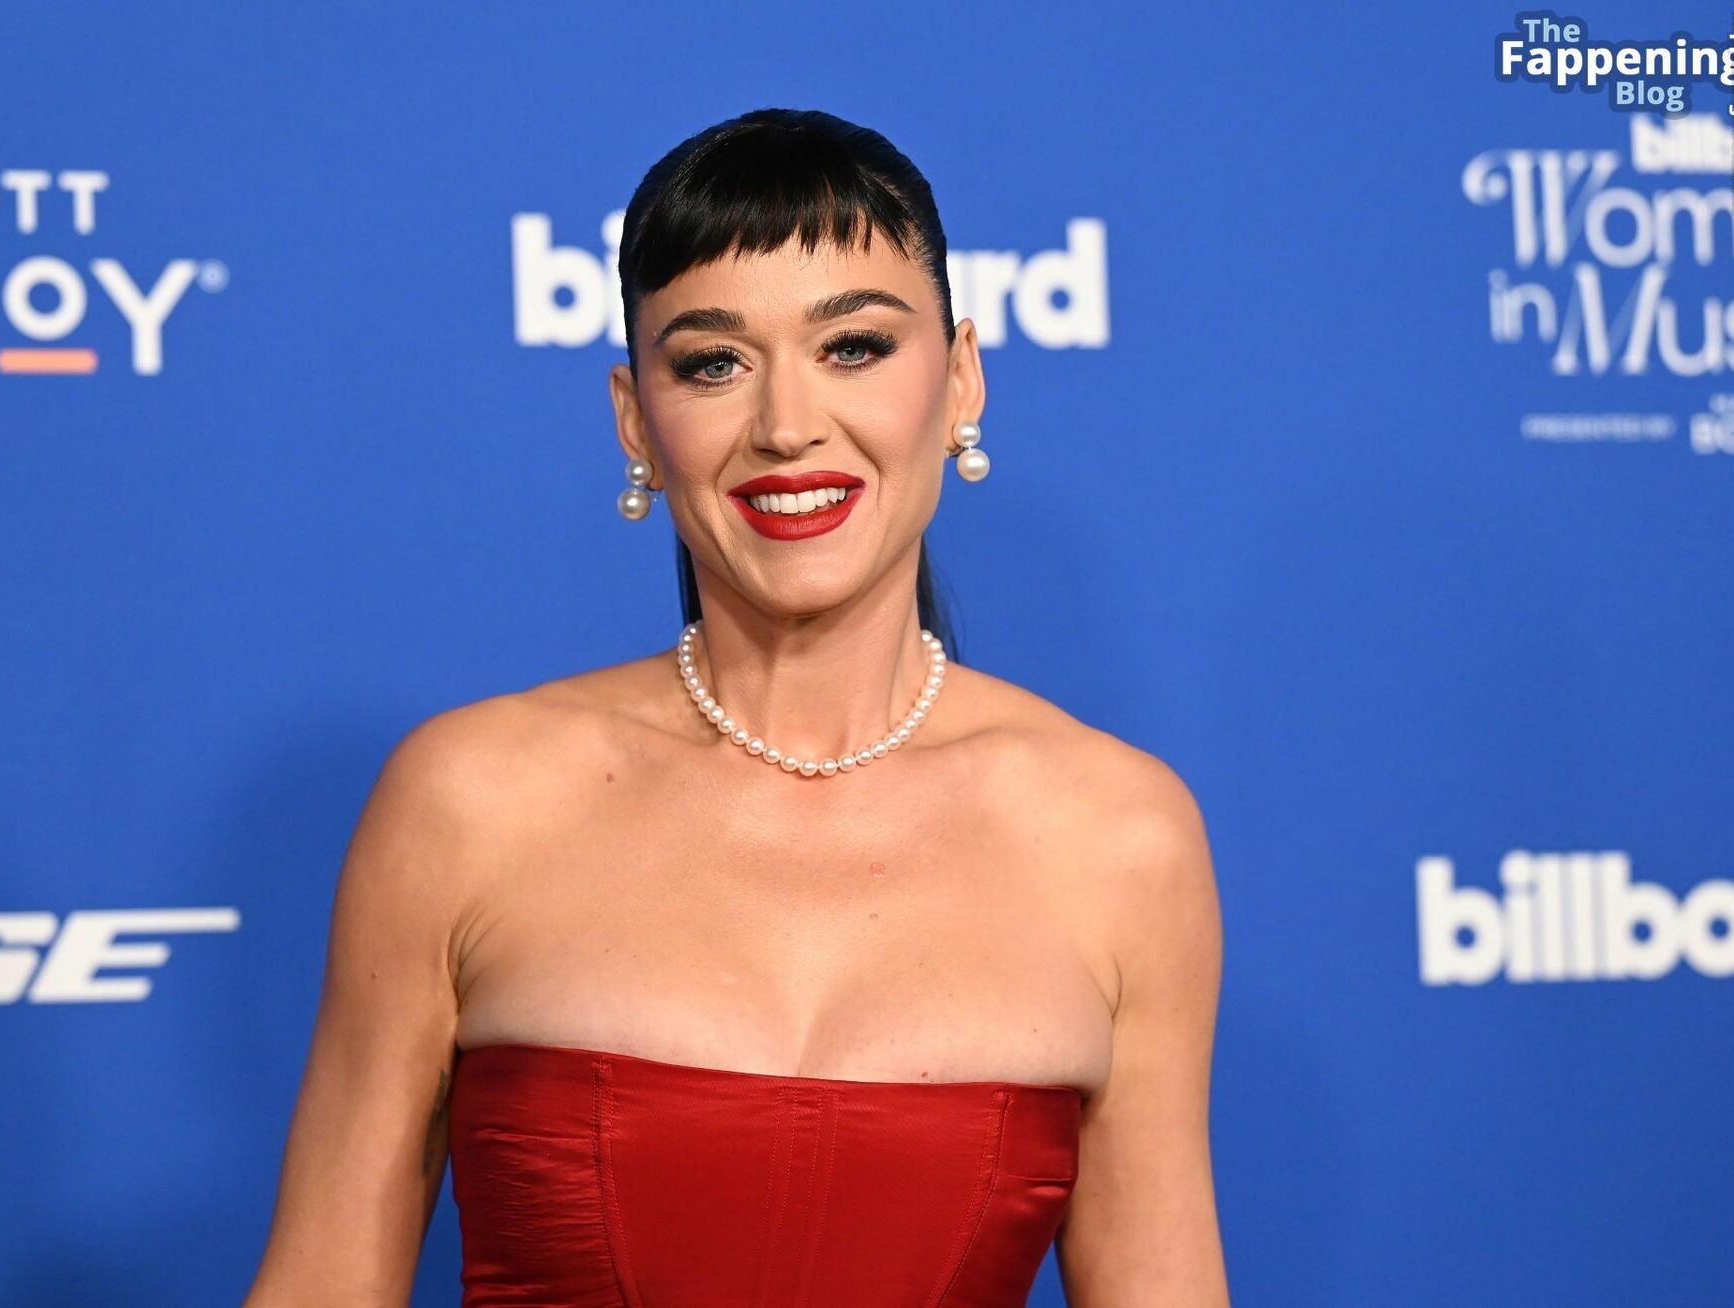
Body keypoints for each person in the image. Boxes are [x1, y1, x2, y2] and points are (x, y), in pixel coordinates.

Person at [245, 107, 1229, 1308]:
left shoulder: (1119, 840)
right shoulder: (470, 801)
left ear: (962, 378)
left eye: (853, 347)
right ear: (635, 419)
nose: (786, 426)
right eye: (713, 363)